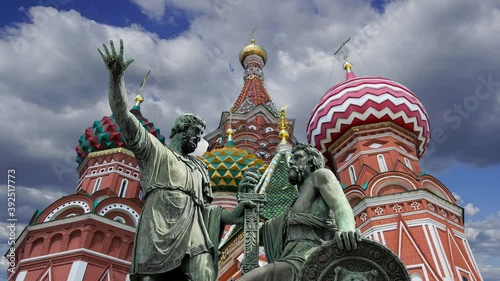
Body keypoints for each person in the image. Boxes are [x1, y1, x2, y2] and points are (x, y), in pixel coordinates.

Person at [98, 39, 254, 281]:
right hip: (160, 223)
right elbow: (123, 116)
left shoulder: (200, 167)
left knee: (204, 273)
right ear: (182, 129)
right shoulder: (156, 152)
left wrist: (235, 214)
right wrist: (116, 78)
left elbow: (207, 212)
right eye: (196, 133)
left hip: (193, 228)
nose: (199, 140)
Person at [238, 143, 361, 281]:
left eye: (298, 157)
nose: (291, 161)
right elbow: (257, 235)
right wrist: (245, 204)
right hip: (290, 259)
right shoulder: (292, 207)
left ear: (313, 161)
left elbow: (340, 204)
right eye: (292, 159)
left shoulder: (320, 175)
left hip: (309, 257)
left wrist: (346, 228)